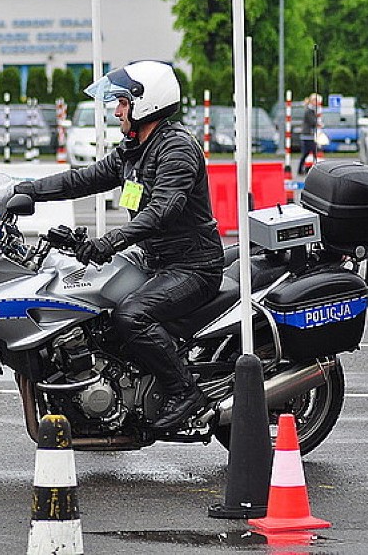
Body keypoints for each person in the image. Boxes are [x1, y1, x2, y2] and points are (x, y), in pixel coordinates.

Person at [14, 61, 223, 431]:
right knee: (97, 308)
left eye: (124, 102)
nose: (117, 110)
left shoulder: (176, 150)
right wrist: (22, 191)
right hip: (153, 259)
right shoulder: (135, 149)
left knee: (132, 315)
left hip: (191, 267)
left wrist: (109, 242)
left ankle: (183, 390)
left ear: (147, 104)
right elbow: (83, 179)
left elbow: (162, 211)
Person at [297, 93, 322, 176]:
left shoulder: (312, 110)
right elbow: (313, 122)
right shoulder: (309, 111)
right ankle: (313, 169)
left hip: (309, 136)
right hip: (308, 136)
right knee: (313, 153)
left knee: (307, 153)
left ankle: (302, 169)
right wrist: (318, 123)